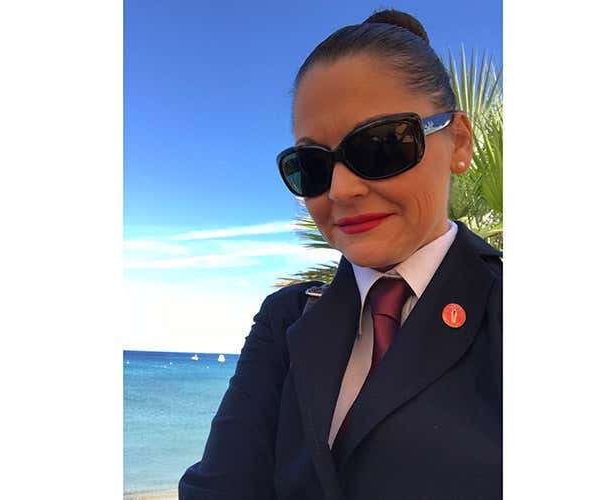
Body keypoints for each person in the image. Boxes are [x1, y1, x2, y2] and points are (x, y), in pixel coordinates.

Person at [179, 8, 501, 500]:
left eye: (381, 145)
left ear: (457, 142)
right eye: (312, 165)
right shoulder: (286, 319)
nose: (341, 190)